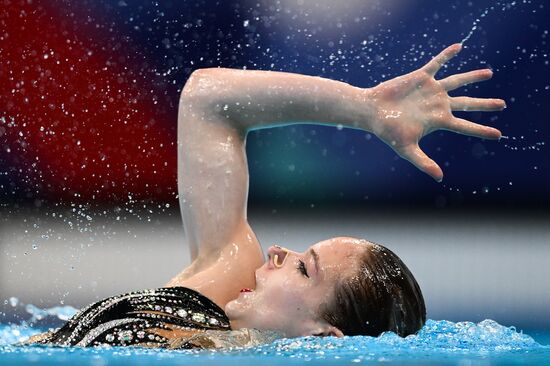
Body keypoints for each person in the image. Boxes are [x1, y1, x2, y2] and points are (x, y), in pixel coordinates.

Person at [25, 43, 505, 349]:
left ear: (322, 334)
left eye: (303, 267)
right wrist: (364, 108)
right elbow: (207, 98)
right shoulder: (229, 274)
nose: (277, 250)